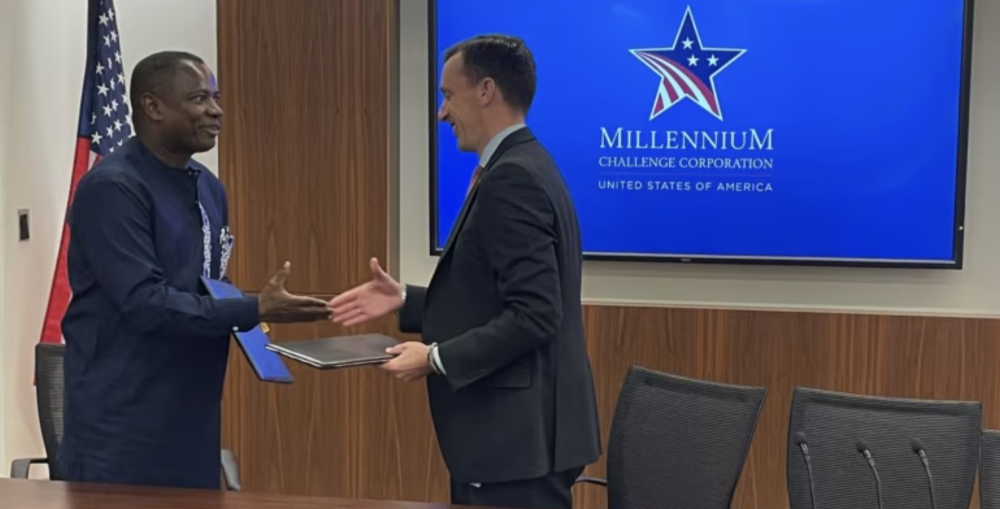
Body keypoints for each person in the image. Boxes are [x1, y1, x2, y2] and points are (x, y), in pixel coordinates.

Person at [329, 35, 601, 509]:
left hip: (517, 447)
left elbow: (536, 314)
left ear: (486, 90)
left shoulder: (513, 177)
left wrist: (435, 358)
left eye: (448, 95)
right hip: (520, 444)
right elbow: (493, 298)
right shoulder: (527, 163)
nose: (442, 113)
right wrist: (406, 300)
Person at [56, 50, 331, 490]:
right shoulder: (113, 189)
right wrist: (254, 307)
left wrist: (256, 309)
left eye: (216, 98)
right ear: (153, 106)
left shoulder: (208, 187)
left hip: (193, 416)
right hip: (123, 426)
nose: (216, 111)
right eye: (200, 98)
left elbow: (204, 283)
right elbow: (145, 303)